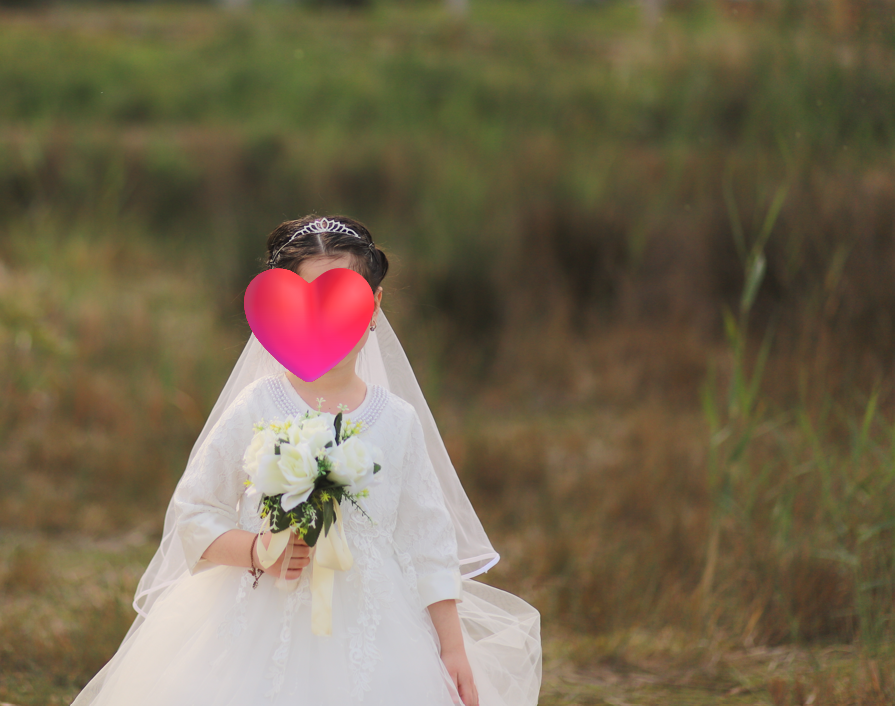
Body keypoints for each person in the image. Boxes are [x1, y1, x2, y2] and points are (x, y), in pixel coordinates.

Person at [71, 215, 541, 706]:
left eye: (344, 302)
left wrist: (452, 648)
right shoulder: (258, 406)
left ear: (375, 305)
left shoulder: (397, 421)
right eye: (311, 304)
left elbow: (429, 542)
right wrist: (259, 550)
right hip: (257, 621)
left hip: (375, 628)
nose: (327, 322)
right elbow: (194, 512)